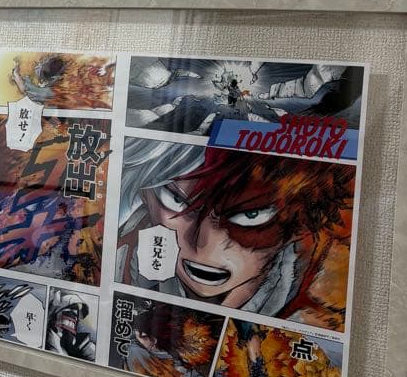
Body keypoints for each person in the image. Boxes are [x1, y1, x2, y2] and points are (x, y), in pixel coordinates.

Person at [117, 138, 355, 329]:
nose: (205, 244)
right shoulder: (116, 261)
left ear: (302, 222)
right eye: (176, 200)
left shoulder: (325, 306)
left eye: (251, 215)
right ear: (145, 194)